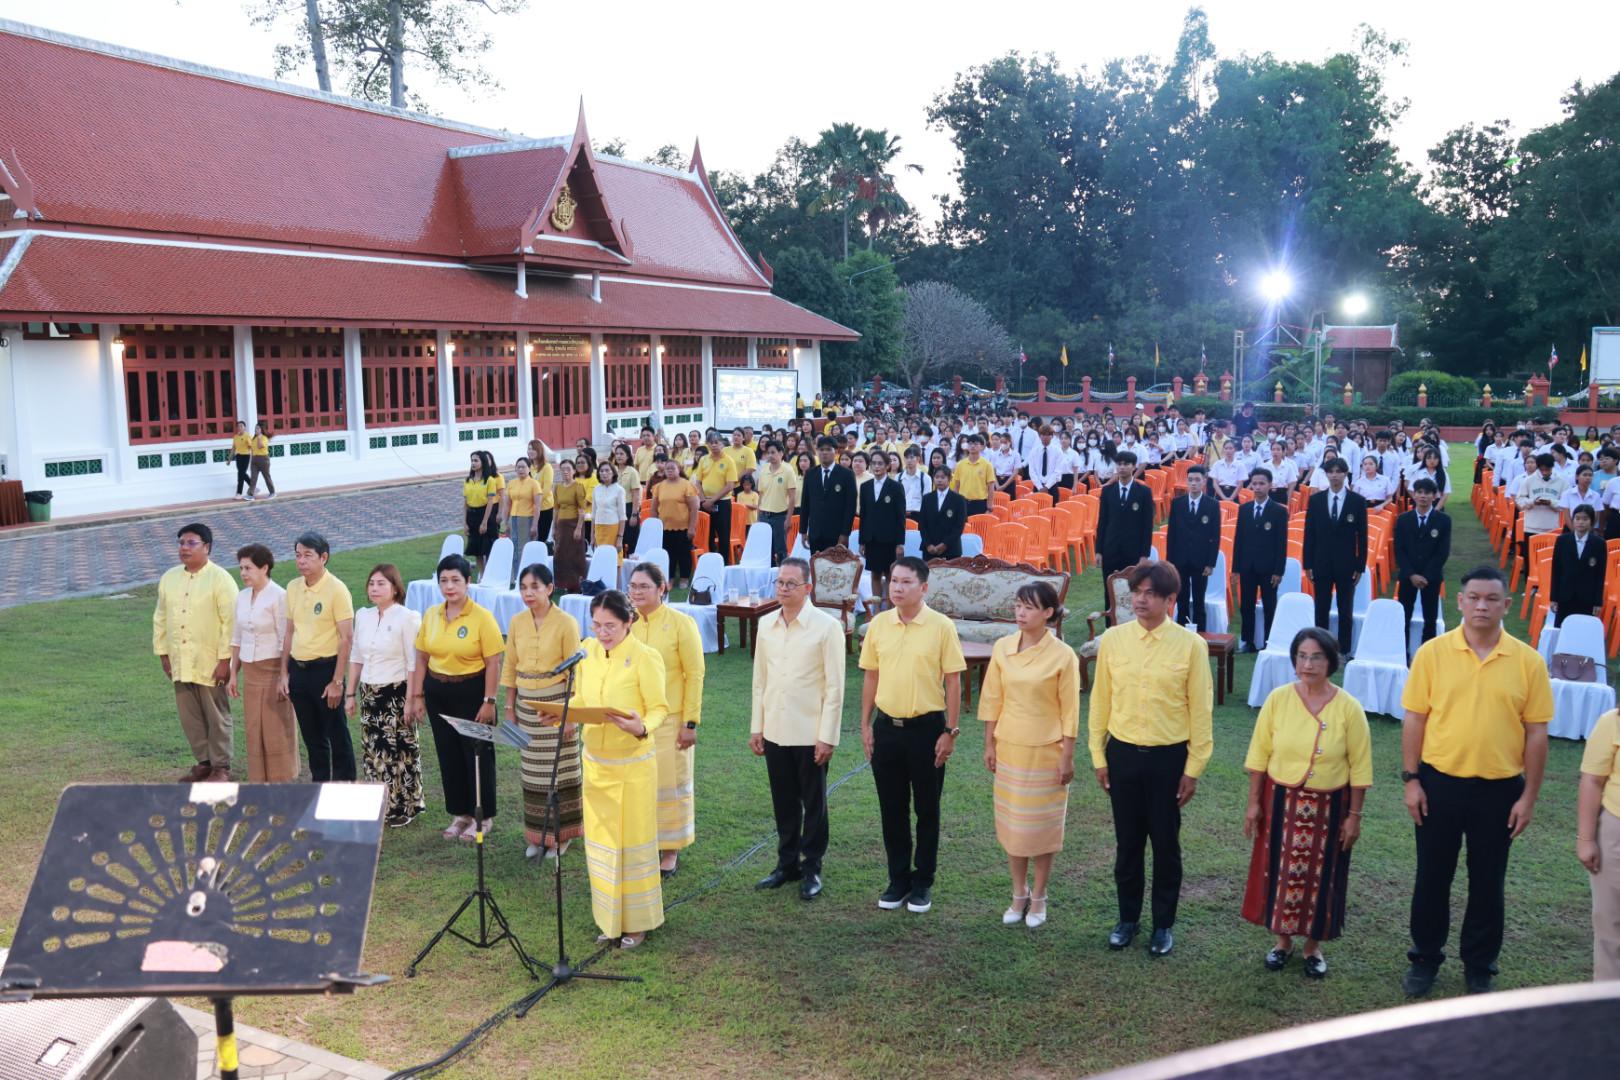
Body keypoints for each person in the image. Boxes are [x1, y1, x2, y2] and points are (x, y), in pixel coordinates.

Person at [1399, 565, 1552, 997]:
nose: (1482, 605)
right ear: (1460, 601)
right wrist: (1412, 780)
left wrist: (1529, 797)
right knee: (1432, 875)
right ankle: (1425, 957)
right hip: (1439, 784)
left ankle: (1480, 964)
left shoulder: (1527, 661)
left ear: (1507, 605)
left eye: (1491, 599)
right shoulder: (1433, 653)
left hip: (1500, 789)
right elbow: (1415, 718)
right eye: (1474, 597)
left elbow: (1536, 733)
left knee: (1488, 879)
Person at [1242, 628, 1372, 978]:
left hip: (1330, 807)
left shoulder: (1349, 708)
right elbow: (1259, 755)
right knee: (1279, 870)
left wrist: (1354, 816)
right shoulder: (1278, 699)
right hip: (1281, 799)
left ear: (1331, 661)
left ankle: (1313, 947)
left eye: (1316, 657)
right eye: (1301, 656)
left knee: (1323, 875)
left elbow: (1360, 768)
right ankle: (1282, 942)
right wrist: (1254, 803)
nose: (1308, 664)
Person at [859, 556, 966, 914]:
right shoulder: (878, 625)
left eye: (906, 582)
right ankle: (898, 879)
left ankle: (923, 882)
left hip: (927, 731)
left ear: (923, 587)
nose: (897, 588)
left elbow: (953, 680)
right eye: (893, 581)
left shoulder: (940, 626)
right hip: (887, 729)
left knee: (926, 809)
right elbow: (871, 675)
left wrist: (950, 730)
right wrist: (865, 724)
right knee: (892, 809)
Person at [570, 590, 670, 949]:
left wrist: (642, 726)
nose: (602, 632)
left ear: (629, 622)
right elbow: (583, 699)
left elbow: (660, 708)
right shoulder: (587, 652)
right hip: (596, 765)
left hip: (632, 769)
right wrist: (562, 712)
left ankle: (638, 922)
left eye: (610, 626)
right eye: (596, 624)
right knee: (602, 844)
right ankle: (609, 918)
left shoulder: (646, 658)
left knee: (632, 845)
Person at [980, 581, 1079, 929]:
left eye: (1029, 607)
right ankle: (1017, 893)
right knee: (1013, 826)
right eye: (1018, 605)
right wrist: (989, 743)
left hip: (1046, 750)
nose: (1020, 613)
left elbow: (1070, 710)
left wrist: (1067, 756)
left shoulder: (1063, 655)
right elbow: (992, 698)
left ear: (1048, 613)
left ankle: (1039, 896)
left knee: (1041, 828)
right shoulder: (1003, 647)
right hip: (1010, 747)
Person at [751, 558, 845, 900]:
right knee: (783, 802)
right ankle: (786, 864)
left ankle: (812, 867)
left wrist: (827, 736)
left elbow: (835, 687)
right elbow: (760, 682)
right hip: (775, 727)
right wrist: (757, 727)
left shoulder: (826, 627)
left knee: (814, 804)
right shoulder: (765, 625)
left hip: (810, 732)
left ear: (808, 588)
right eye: (780, 582)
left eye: (791, 583)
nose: (784, 589)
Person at [407, 554, 506, 841]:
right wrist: (418, 695)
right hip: (438, 692)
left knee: (477, 754)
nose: (449, 586)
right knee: (448, 753)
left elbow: (493, 663)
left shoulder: (482, 618)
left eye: (455, 580)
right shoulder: (432, 615)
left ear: (468, 582)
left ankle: (483, 815)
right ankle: (460, 813)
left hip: (472, 692)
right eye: (444, 581)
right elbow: (422, 657)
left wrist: (489, 701)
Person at [628, 562, 705, 878]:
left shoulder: (680, 623)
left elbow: (695, 673)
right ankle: (644, 843)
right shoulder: (627, 624)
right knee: (640, 783)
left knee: (669, 783)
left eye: (644, 586)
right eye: (632, 586)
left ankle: (670, 850)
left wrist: (690, 723)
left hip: (671, 719)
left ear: (663, 589)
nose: (636, 592)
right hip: (635, 720)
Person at [500, 561, 583, 858]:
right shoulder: (517, 622)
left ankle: (562, 836)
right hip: (525, 704)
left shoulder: (566, 623)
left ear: (550, 588)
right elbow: (510, 666)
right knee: (532, 773)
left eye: (535, 587)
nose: (528, 593)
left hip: (557, 706)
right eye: (523, 587)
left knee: (559, 771)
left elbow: (576, 672)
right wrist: (510, 707)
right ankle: (537, 835)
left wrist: (570, 716)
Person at [153, 522, 237, 781]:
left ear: (207, 547)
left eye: (191, 543)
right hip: (180, 659)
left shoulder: (220, 578)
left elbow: (231, 622)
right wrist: (164, 655)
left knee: (216, 714)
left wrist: (226, 661)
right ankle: (204, 762)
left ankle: (221, 767)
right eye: (181, 543)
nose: (184, 548)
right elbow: (160, 617)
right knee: (190, 715)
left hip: (211, 661)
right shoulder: (170, 578)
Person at [275, 532, 356, 782]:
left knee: (336, 732)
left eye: (307, 555)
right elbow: (289, 632)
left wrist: (337, 681)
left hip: (326, 669)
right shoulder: (293, 587)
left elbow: (346, 638)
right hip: (299, 671)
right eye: (298, 555)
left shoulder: (337, 589)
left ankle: (345, 786)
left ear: (324, 557)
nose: (301, 561)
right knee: (312, 735)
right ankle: (320, 784)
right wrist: (284, 673)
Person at [346, 564, 423, 824]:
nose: (375, 588)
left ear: (395, 588)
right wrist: (350, 694)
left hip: (397, 692)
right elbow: (356, 656)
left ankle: (402, 807)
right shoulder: (364, 615)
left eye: (381, 583)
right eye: (372, 583)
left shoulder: (407, 617)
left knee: (398, 750)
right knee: (373, 751)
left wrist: (412, 700)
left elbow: (413, 663)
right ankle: (379, 804)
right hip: (370, 692)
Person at [228, 543, 297, 782]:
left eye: (248, 568)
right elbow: (236, 637)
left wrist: (283, 676)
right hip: (251, 672)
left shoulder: (279, 596)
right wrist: (232, 674)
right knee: (254, 728)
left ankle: (282, 778)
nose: (243, 573)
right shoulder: (242, 596)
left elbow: (284, 640)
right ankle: (259, 779)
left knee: (276, 728)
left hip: (273, 671)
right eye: (241, 568)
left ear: (264, 568)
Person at [1302, 458, 1368, 657]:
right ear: (1326, 474)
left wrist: (1360, 566)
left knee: (1345, 608)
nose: (1335, 475)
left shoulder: (1356, 501)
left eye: (1339, 471)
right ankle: (1320, 648)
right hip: (1321, 562)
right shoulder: (1316, 500)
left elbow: (1362, 536)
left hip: (1346, 564)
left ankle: (1344, 649)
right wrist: (1308, 563)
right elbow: (1309, 534)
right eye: (1331, 471)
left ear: (1346, 474)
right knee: (1321, 607)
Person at [1578, 707, 1620, 980]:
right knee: (1610, 926)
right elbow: (1592, 781)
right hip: (1615, 833)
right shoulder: (1612, 723)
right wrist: (1586, 839)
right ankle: (1608, 1007)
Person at [1234, 468, 1288, 653]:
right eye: (1254, 483)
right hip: (1247, 566)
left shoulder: (1278, 512)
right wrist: (1236, 568)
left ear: (1270, 485)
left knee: (1269, 606)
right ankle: (1247, 640)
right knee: (1246, 605)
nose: (1257, 487)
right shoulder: (1244, 509)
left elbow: (1282, 544)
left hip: (1268, 568)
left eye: (1261, 483)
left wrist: (1278, 571)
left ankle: (1268, 641)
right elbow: (1238, 540)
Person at [1395, 479, 1451, 653]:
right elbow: (1399, 550)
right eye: (1419, 492)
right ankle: (1401, 653)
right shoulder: (1403, 519)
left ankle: (1426, 655)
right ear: (1414, 494)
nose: (1423, 496)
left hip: (1431, 578)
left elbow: (1442, 552)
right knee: (1404, 617)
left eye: (1427, 493)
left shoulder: (1443, 521)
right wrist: (1412, 574)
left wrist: (1426, 575)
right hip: (1407, 576)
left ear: (1434, 496)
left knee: (1430, 618)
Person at [1096, 451, 1155, 608]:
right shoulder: (1108, 491)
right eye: (1119, 464)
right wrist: (1099, 551)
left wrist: (1144, 554)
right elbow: (1102, 522)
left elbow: (1147, 526)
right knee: (1110, 590)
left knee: (1133, 590)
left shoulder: (1144, 492)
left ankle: (1133, 626)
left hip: (1133, 551)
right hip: (1111, 549)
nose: (1122, 468)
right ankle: (1111, 627)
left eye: (1126, 464)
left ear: (1133, 466)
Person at [1166, 464, 1220, 632]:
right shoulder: (1177, 503)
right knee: (1181, 599)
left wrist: (1210, 563)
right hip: (1180, 560)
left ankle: (1200, 634)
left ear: (1204, 482)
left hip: (1201, 561)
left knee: (1198, 599)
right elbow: (1172, 534)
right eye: (1190, 480)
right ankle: (1180, 632)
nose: (1193, 483)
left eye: (1197, 480)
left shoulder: (1212, 505)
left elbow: (1215, 536)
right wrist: (1170, 562)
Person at [859, 450, 907, 603]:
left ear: (887, 466)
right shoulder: (865, 487)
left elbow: (900, 517)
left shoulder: (896, 487)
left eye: (880, 463)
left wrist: (900, 543)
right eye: (873, 463)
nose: (876, 466)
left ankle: (890, 608)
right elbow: (864, 515)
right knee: (875, 574)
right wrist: (862, 541)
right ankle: (877, 609)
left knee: (890, 574)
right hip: (872, 539)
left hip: (889, 539)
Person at [1551, 503, 1606, 628]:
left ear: (1591, 521)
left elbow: (1600, 575)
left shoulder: (1599, 544)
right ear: (1573, 520)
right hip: (1565, 595)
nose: (1581, 522)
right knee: (1563, 630)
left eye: (1585, 519)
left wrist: (1598, 602)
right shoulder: (1562, 541)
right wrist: (1554, 597)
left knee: (1582, 631)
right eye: (1577, 518)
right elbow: (1556, 571)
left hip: (1587, 597)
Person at [800, 435, 857, 553]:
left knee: (837, 570)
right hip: (815, 533)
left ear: (836, 452)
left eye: (828, 449)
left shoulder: (847, 474)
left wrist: (845, 534)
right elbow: (805, 504)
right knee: (817, 568)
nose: (824, 453)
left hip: (837, 534)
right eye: (821, 450)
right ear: (817, 451)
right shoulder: (810, 474)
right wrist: (803, 531)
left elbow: (850, 507)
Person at [654, 458, 701, 589]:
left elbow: (694, 508)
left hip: (683, 527)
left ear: (679, 469)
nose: (669, 470)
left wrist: (692, 528)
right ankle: (670, 578)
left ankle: (685, 578)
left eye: (672, 468)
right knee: (668, 554)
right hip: (664, 527)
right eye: (667, 468)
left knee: (683, 553)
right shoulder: (660, 486)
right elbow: (654, 508)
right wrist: (654, 528)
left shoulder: (687, 485)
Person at [696, 434, 738, 559]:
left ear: (722, 444)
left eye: (716, 442)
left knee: (723, 536)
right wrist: (704, 500)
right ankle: (708, 561)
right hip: (704, 502)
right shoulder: (704, 459)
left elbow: (730, 485)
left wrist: (712, 500)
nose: (714, 445)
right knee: (707, 535)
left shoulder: (728, 461)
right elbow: (698, 482)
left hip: (722, 503)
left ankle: (722, 564)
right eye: (711, 442)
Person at [503, 456, 542, 587]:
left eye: (523, 467)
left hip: (527, 518)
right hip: (514, 518)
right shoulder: (512, 483)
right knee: (513, 548)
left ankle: (527, 576)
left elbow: (537, 506)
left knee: (523, 549)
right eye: (518, 467)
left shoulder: (534, 484)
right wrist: (505, 522)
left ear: (529, 468)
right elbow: (507, 504)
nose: (520, 470)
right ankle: (515, 576)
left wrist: (535, 524)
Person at [756, 439, 796, 565]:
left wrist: (788, 519)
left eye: (773, 452)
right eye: (768, 453)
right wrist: (758, 516)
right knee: (766, 550)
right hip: (764, 516)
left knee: (781, 551)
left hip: (780, 516)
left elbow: (792, 497)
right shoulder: (764, 470)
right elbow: (761, 494)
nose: (770, 456)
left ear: (781, 453)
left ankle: (783, 577)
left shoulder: (788, 470)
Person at [551, 459, 587, 591]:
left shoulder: (578, 486)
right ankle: (562, 583)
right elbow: (556, 508)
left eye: (568, 469)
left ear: (573, 471)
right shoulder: (558, 487)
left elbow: (582, 510)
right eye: (563, 469)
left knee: (574, 554)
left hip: (574, 523)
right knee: (561, 553)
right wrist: (554, 527)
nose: (565, 472)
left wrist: (578, 527)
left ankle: (577, 583)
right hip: (562, 524)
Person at [463, 451, 501, 577]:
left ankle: (491, 573)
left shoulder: (489, 480)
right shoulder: (468, 480)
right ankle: (482, 574)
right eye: (472, 460)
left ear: (482, 462)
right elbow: (465, 503)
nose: (473, 463)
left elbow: (490, 502)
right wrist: (464, 523)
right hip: (472, 515)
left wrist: (484, 522)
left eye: (476, 461)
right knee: (476, 548)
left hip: (485, 514)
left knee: (487, 547)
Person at [919, 466, 967, 560]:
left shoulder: (959, 500)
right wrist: (928, 544)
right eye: (937, 477)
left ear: (949, 479)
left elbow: (959, 526)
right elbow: (922, 524)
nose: (939, 480)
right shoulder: (927, 498)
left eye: (943, 477)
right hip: (930, 549)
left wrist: (944, 544)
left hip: (951, 549)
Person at [950, 434, 996, 518]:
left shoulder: (987, 465)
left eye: (975, 444)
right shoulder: (960, 464)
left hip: (980, 503)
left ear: (981, 446)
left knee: (978, 529)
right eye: (970, 443)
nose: (972, 446)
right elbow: (956, 486)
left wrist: (989, 506)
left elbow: (991, 487)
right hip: (963, 502)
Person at [591, 461, 627, 553]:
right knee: (600, 557)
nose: (604, 473)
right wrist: (592, 535)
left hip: (613, 528)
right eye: (601, 471)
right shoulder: (596, 489)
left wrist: (620, 538)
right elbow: (594, 513)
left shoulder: (619, 490)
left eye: (607, 470)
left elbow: (622, 516)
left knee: (614, 559)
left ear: (613, 472)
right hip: (599, 528)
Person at [1027, 425, 1065, 498]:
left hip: (1052, 486)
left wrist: (1047, 487)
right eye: (1043, 434)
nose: (1045, 437)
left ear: (1052, 436)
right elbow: (1032, 471)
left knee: (1052, 509)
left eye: (1048, 435)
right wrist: (1040, 487)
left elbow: (1058, 471)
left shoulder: (1058, 451)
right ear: (1039, 436)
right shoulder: (1034, 451)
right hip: (1038, 486)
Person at [247, 420, 276, 499]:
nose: (256, 430)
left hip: (263, 460)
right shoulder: (253, 439)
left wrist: (259, 438)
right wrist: (251, 460)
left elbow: (260, 446)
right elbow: (252, 450)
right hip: (254, 460)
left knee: (266, 477)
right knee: (253, 478)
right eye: (255, 429)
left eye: (258, 429)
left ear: (262, 430)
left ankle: (272, 492)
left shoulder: (264, 438)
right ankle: (250, 495)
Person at [231, 421, 254, 500]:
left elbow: (251, 447)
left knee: (240, 474)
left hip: (246, 456)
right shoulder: (235, 437)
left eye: (241, 426)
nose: (239, 427)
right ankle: (253, 486)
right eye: (238, 426)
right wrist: (229, 459)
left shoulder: (247, 436)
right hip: (238, 456)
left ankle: (239, 493)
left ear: (244, 427)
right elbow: (233, 448)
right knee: (242, 473)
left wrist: (249, 446)